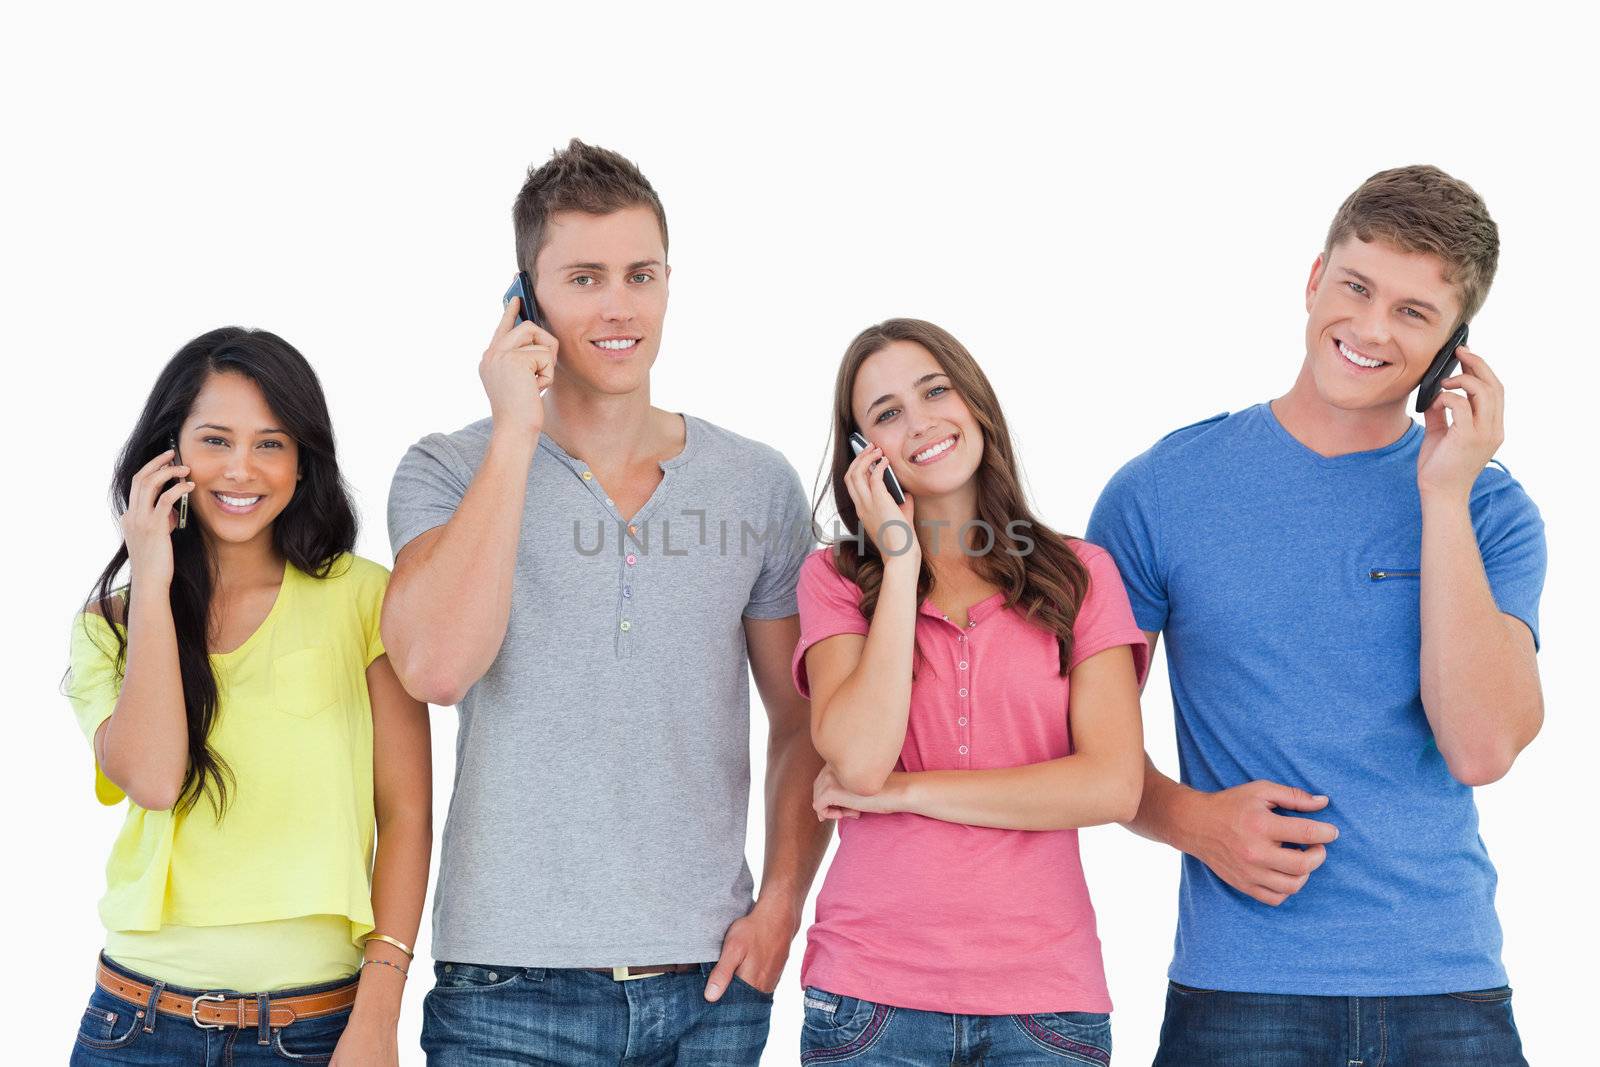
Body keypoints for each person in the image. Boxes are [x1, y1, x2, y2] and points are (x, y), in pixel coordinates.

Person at [383, 140, 831, 1065]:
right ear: (525, 298)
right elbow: (433, 667)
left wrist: (783, 898)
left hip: (709, 983)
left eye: (641, 274)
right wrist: (517, 431)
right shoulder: (445, 468)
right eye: (583, 278)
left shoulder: (756, 483)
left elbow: (800, 718)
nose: (619, 305)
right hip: (506, 985)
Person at [1087, 164, 1546, 1065]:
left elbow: (1483, 747)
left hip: (1445, 990)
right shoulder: (1161, 492)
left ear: (1456, 346)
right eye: (1357, 287)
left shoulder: (1492, 513)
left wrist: (1442, 497)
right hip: (1240, 993)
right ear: (1313, 280)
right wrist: (1192, 820)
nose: (1371, 329)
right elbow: (1077, 737)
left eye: (1415, 313)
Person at [65, 327, 432, 1065]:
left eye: (271, 443)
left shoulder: (364, 599)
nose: (242, 468)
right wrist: (153, 573)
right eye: (215, 440)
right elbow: (158, 778)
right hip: (137, 1023)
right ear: (168, 455)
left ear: (303, 462)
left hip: (317, 1028)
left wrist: (379, 1012)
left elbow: (407, 813)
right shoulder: (111, 624)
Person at [796, 318, 1148, 1064]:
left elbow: (1113, 785)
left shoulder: (1080, 575)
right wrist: (898, 561)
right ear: (865, 453)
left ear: (976, 402)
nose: (920, 421)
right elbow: (858, 762)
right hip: (869, 1000)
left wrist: (906, 793)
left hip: (1047, 1004)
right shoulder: (834, 582)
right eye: (886, 413)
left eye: (935, 391)